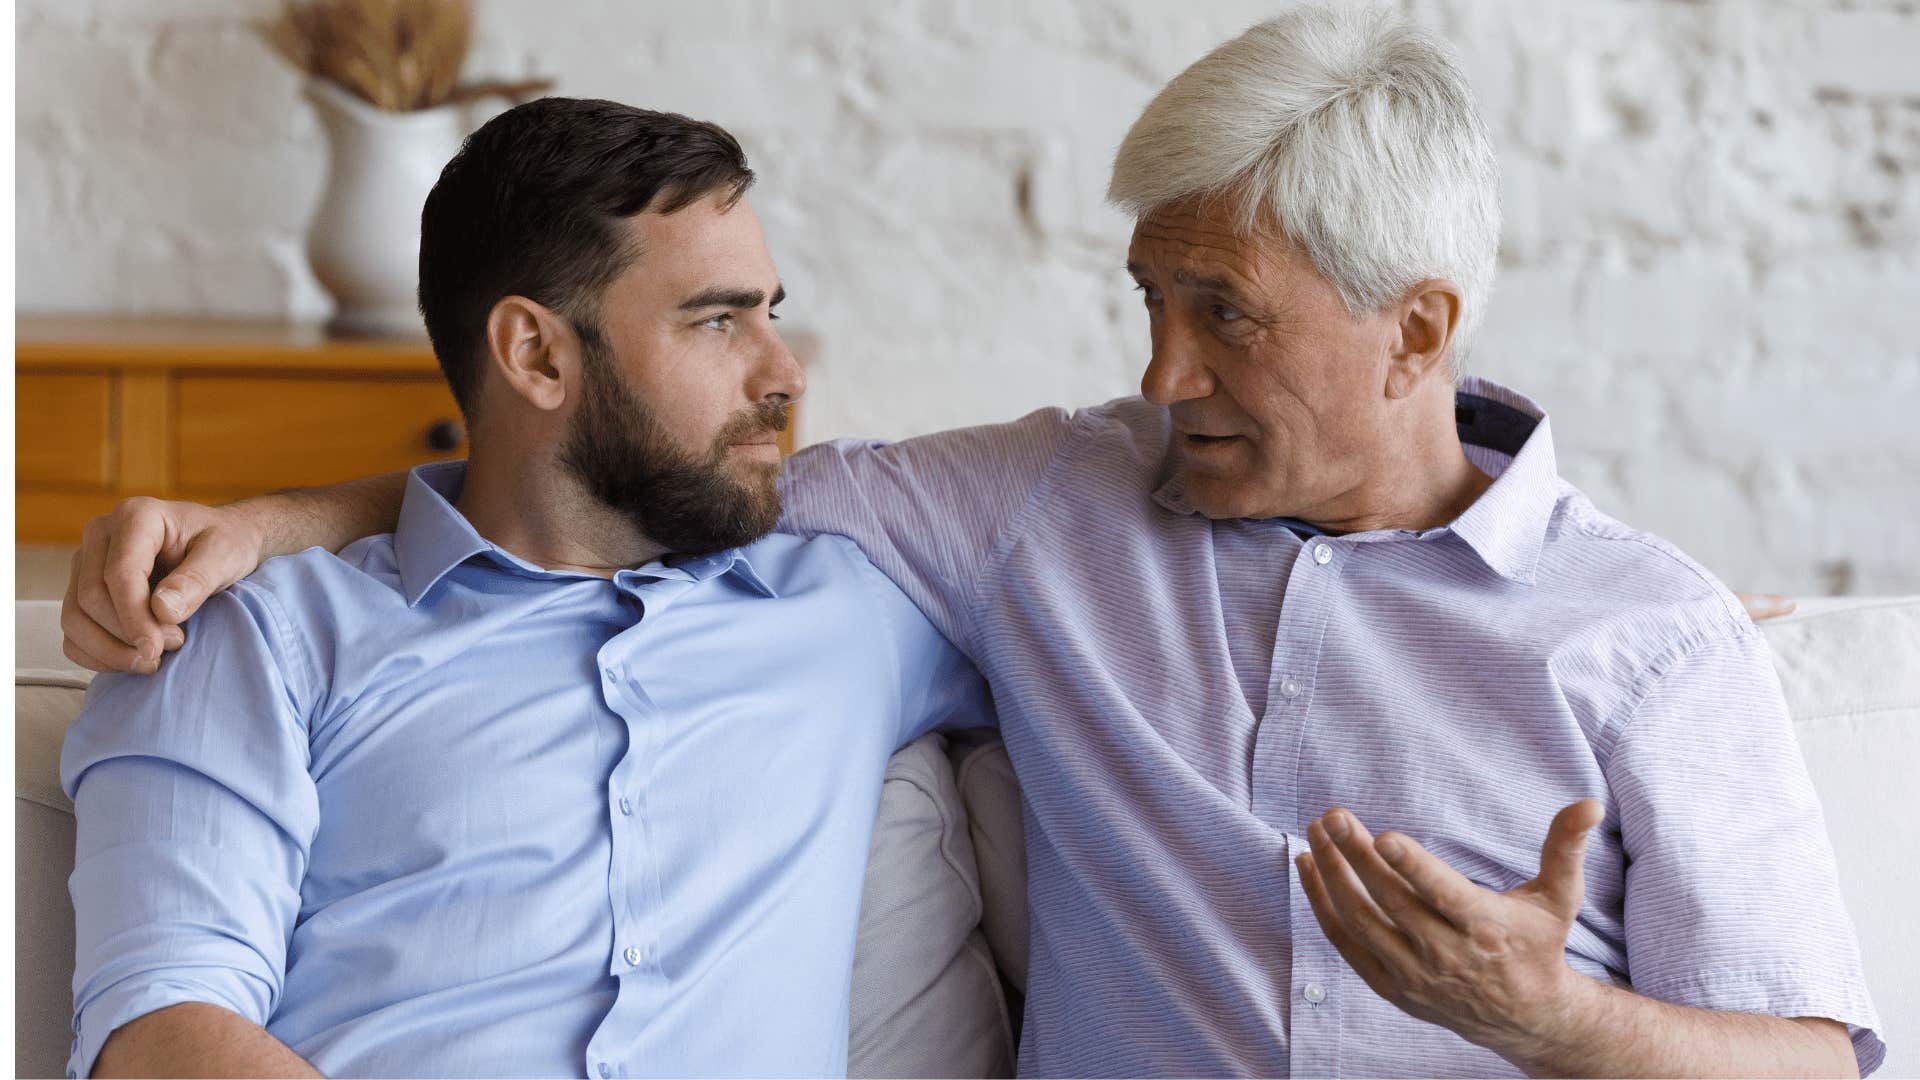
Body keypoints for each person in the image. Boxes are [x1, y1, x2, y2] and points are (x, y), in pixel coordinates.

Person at [64, 6, 1881, 1076]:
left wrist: (1553, 1017)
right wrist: (271, 524)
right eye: (1148, 303)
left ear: (1418, 329)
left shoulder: (1641, 636)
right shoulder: (1042, 516)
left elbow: (1810, 1055)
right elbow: (612, 499)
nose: (1159, 374)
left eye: (1223, 316)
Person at [58, 99, 990, 1079]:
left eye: (771, 312)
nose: (784, 371)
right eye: (717, 319)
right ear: (537, 355)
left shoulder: (856, 607)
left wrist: (274, 513)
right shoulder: (252, 633)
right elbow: (160, 1028)